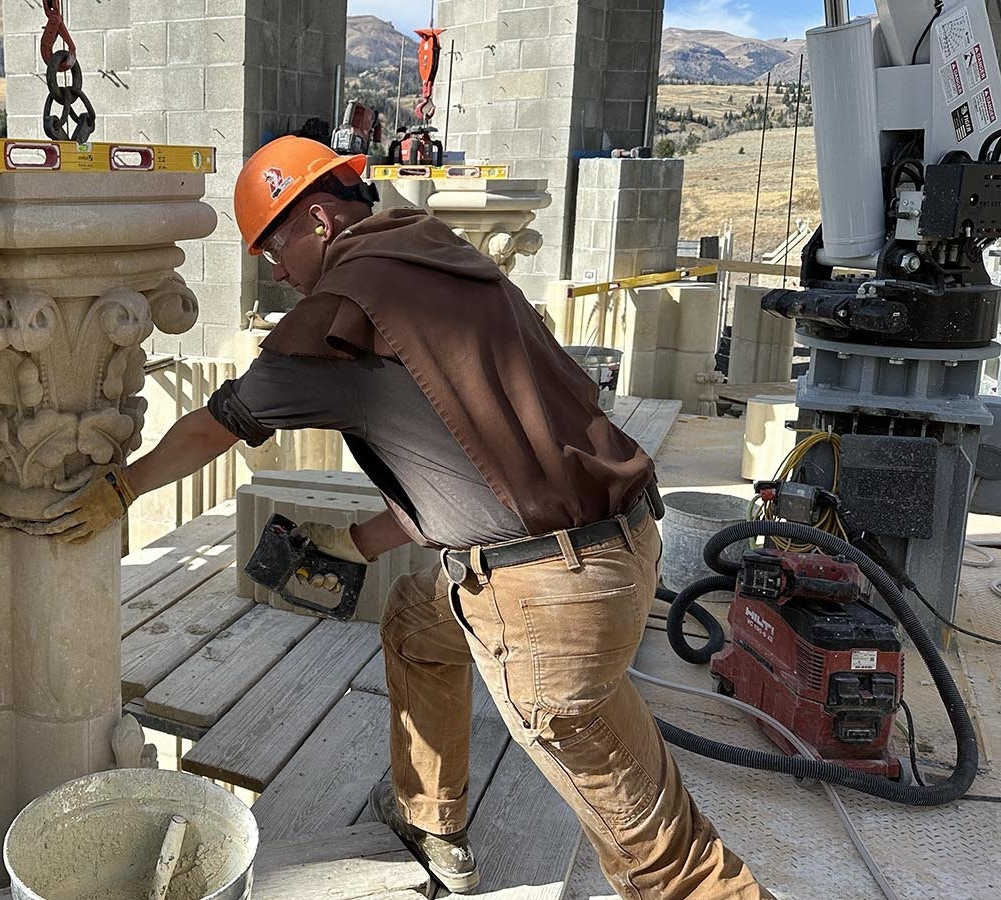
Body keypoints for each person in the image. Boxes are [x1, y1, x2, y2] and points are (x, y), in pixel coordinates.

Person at [45, 136, 771, 899]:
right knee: (418, 621)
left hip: (546, 607)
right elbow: (467, 463)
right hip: (618, 545)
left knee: (673, 865)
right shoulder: (437, 254)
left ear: (320, 219)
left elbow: (213, 426)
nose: (274, 268)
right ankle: (433, 823)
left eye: (273, 244)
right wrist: (356, 542)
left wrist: (124, 488)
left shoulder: (340, 310)